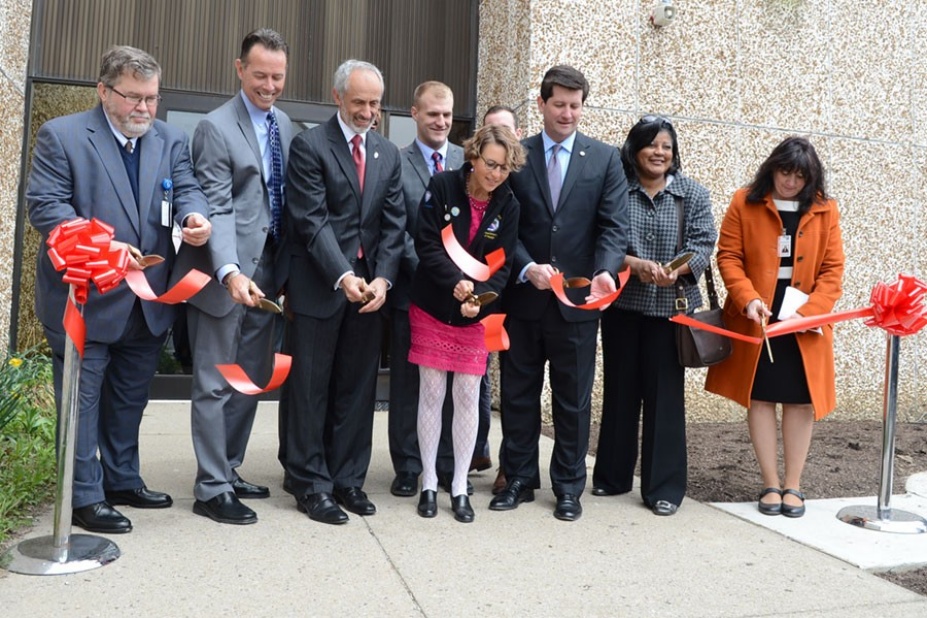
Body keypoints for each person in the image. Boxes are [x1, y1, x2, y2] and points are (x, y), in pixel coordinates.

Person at [26, 45, 211, 534]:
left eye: (152, 98)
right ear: (104, 90)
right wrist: (102, 245)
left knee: (130, 397)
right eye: (134, 98)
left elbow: (187, 186)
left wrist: (196, 216)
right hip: (86, 298)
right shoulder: (62, 136)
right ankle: (84, 496)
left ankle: (122, 479)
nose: (145, 109)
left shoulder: (170, 139)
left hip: (148, 300)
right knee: (82, 400)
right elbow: (45, 207)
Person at [493, 65, 629, 522]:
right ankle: (517, 479)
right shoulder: (518, 155)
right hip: (524, 301)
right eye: (559, 105)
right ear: (542, 105)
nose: (567, 113)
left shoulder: (605, 159)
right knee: (517, 394)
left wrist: (607, 271)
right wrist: (527, 265)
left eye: (575, 105)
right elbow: (501, 223)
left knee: (572, 400)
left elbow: (613, 227)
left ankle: (569, 487)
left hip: (578, 306)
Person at [171, 29, 294, 525]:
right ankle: (211, 487)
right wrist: (229, 272)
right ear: (239, 69)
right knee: (215, 380)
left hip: (270, 273)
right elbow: (216, 206)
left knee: (250, 379)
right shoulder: (215, 127)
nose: (269, 85)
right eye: (260, 74)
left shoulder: (285, 123)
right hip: (225, 274)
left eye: (278, 76)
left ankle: (230, 467)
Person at [284, 59, 405, 525]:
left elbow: (394, 226)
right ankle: (311, 483)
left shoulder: (387, 154)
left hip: (370, 291)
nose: (368, 112)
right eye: (359, 102)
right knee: (311, 389)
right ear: (338, 97)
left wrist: (382, 279)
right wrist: (342, 275)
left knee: (358, 389)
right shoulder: (310, 146)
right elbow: (311, 222)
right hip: (321, 285)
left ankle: (347, 479)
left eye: (375, 104)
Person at [705, 136, 844, 518]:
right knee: (761, 396)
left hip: (804, 323)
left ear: (811, 178)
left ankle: (793, 485)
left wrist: (812, 312)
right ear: (772, 168)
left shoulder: (825, 209)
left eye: (800, 176)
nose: (790, 182)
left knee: (801, 400)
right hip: (758, 318)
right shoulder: (744, 201)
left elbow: (833, 270)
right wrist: (747, 297)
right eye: (785, 172)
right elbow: (729, 256)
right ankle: (769, 481)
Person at [592, 116, 717, 516]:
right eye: (651, 145)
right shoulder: (617, 189)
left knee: (665, 400)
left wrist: (674, 270)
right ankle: (611, 478)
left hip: (671, 313)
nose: (659, 152)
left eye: (666, 146)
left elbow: (702, 245)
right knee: (620, 393)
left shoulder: (692, 194)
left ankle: (663, 488)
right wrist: (632, 263)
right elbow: (602, 237)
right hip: (623, 306)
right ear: (635, 149)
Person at [410, 124, 524, 522]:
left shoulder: (509, 204)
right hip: (433, 304)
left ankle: (459, 485)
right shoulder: (442, 186)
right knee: (432, 392)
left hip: (476, 314)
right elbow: (425, 242)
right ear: (473, 157)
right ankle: (428, 481)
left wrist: (482, 298)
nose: (495, 175)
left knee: (467, 396)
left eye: (505, 168)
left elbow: (503, 263)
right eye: (490, 164)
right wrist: (454, 283)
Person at [388, 81, 466, 499]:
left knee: (456, 387)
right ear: (414, 113)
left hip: (462, 301)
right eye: (433, 113)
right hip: (414, 293)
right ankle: (407, 465)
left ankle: (449, 465)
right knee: (409, 386)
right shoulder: (396, 164)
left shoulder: (466, 162)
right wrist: (441, 276)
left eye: (447, 114)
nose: (441, 121)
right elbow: (397, 231)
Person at [480, 104, 523, 494]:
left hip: (516, 300)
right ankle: (473, 450)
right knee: (472, 378)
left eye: (507, 133)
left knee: (509, 386)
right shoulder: (472, 183)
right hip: (472, 295)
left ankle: (509, 467)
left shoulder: (520, 181)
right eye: (494, 133)